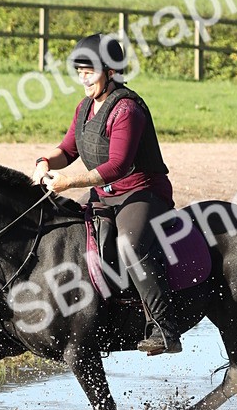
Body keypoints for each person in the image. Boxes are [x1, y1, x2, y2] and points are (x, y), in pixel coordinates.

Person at [32, 32, 182, 355]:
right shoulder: (85, 107)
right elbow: (67, 150)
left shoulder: (127, 109)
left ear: (111, 71)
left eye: (90, 71)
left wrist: (69, 182)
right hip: (105, 195)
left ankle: (164, 327)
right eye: (80, 71)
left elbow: (118, 165)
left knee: (130, 244)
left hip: (141, 192)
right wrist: (45, 161)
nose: (83, 78)